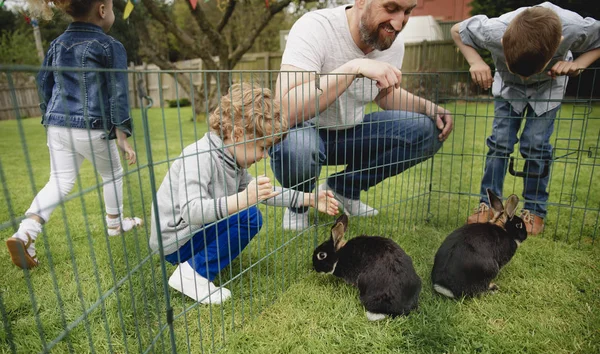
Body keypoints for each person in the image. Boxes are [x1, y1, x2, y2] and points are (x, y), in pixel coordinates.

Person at [269, 0, 454, 231]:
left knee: (428, 130)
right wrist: (352, 68)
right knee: (298, 148)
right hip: (303, 131)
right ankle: (298, 205)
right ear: (361, 1)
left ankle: (342, 188)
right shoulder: (315, 27)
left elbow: (385, 95)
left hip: (351, 133)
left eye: (407, 12)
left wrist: (429, 108)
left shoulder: (390, 41)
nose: (399, 23)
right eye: (391, 8)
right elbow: (284, 109)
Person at [149, 84, 339, 304]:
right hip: (176, 241)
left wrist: (309, 199)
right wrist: (242, 199)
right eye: (262, 147)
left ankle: (196, 265)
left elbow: (265, 194)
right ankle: (193, 274)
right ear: (238, 134)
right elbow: (191, 211)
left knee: (247, 212)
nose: (265, 156)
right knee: (248, 216)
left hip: (191, 234)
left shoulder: (232, 161)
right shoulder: (200, 156)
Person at [6, 0, 142, 270]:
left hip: (57, 126)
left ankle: (26, 231)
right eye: (113, 7)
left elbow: (44, 82)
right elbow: (117, 92)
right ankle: (115, 224)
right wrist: (122, 133)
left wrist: (50, 115)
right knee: (112, 173)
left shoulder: (57, 44)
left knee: (59, 180)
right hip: (91, 126)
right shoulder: (109, 46)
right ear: (102, 10)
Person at [453, 2, 600, 235]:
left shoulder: (573, 27)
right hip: (509, 88)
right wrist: (476, 61)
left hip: (548, 86)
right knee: (499, 143)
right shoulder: (493, 30)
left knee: (536, 145)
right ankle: (488, 204)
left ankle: (534, 209)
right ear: (503, 43)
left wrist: (579, 65)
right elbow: (457, 30)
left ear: (559, 42)